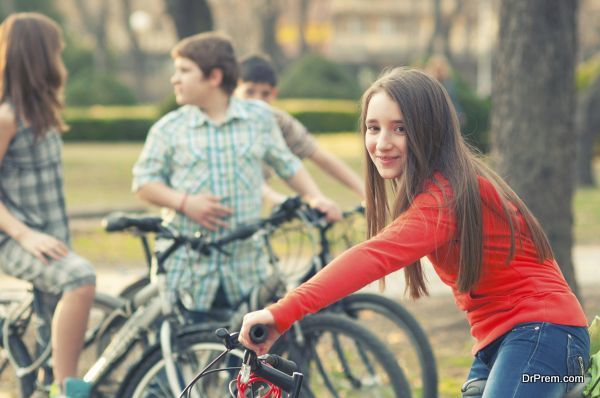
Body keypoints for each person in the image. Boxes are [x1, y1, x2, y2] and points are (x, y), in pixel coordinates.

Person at [240, 67, 590, 397]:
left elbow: (375, 255)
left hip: (543, 335)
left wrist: (281, 312)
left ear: (430, 130)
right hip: (501, 341)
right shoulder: (440, 187)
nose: (382, 142)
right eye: (373, 127)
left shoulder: (448, 195)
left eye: (400, 128)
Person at [132, 32, 341, 314]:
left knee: (246, 349)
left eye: (184, 70)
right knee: (185, 351)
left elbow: (288, 165)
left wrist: (315, 198)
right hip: (188, 265)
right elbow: (143, 182)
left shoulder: (259, 118)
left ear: (214, 77)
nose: (175, 79)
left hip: (244, 267)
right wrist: (185, 203)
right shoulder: (169, 129)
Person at [0, 13, 95, 397]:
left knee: (48, 329)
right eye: (57, 53)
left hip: (50, 238)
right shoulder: (6, 117)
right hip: (15, 238)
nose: (61, 62)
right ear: (39, 58)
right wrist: (25, 236)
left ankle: (42, 387)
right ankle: (65, 389)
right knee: (80, 278)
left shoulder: (42, 114)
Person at [235, 54, 365, 204]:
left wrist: (365, 194)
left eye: (265, 94)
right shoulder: (228, 122)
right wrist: (282, 201)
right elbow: (247, 177)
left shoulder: (278, 121)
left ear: (274, 94)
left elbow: (320, 156)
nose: (257, 101)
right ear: (234, 90)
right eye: (249, 92)